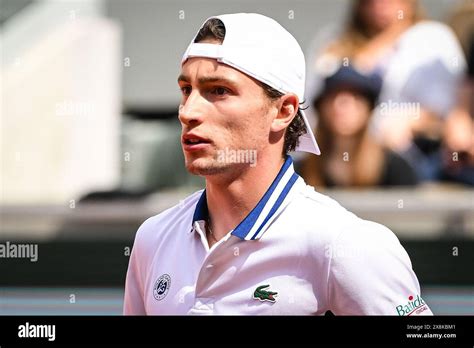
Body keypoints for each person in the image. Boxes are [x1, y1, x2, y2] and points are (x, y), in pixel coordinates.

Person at [123, 13, 432, 315]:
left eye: (219, 90)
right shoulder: (153, 237)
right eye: (186, 90)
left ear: (284, 111)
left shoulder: (348, 244)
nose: (188, 111)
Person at [306, 0, 466, 181]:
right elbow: (313, 103)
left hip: (410, 157)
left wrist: (412, 120)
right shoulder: (334, 41)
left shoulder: (431, 37)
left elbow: (453, 114)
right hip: (339, 156)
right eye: (370, 2)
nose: (380, 6)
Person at [301, 65, 418, 188]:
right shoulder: (301, 170)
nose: (340, 107)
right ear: (321, 108)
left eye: (355, 98)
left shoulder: (395, 169)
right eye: (333, 97)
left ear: (369, 109)